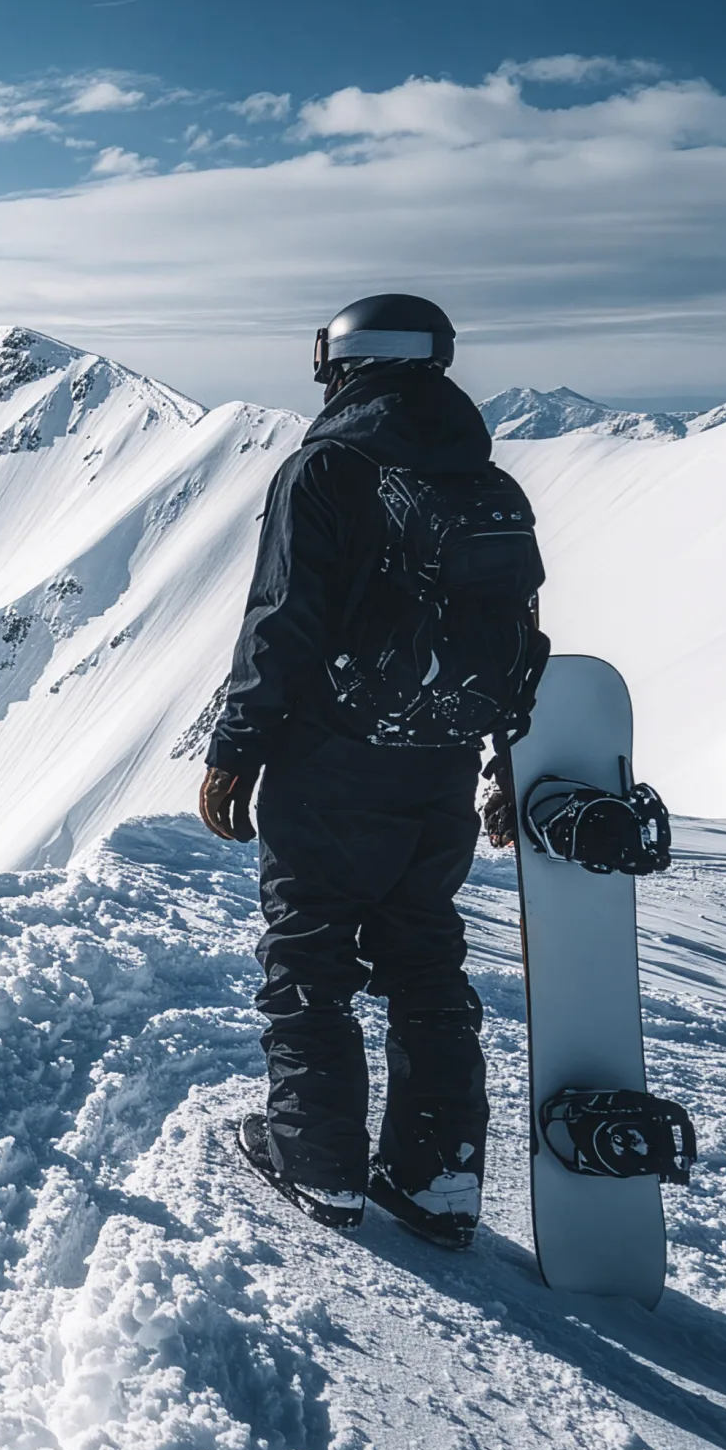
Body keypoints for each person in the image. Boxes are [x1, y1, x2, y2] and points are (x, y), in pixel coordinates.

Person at [199, 294, 545, 1248]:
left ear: (338, 365)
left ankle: (317, 1163)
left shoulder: (327, 471)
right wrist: (512, 764)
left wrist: (235, 752)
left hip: (329, 767)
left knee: (310, 956)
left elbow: (282, 623)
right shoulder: (489, 486)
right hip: (441, 768)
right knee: (425, 957)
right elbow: (521, 640)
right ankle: (433, 1182)